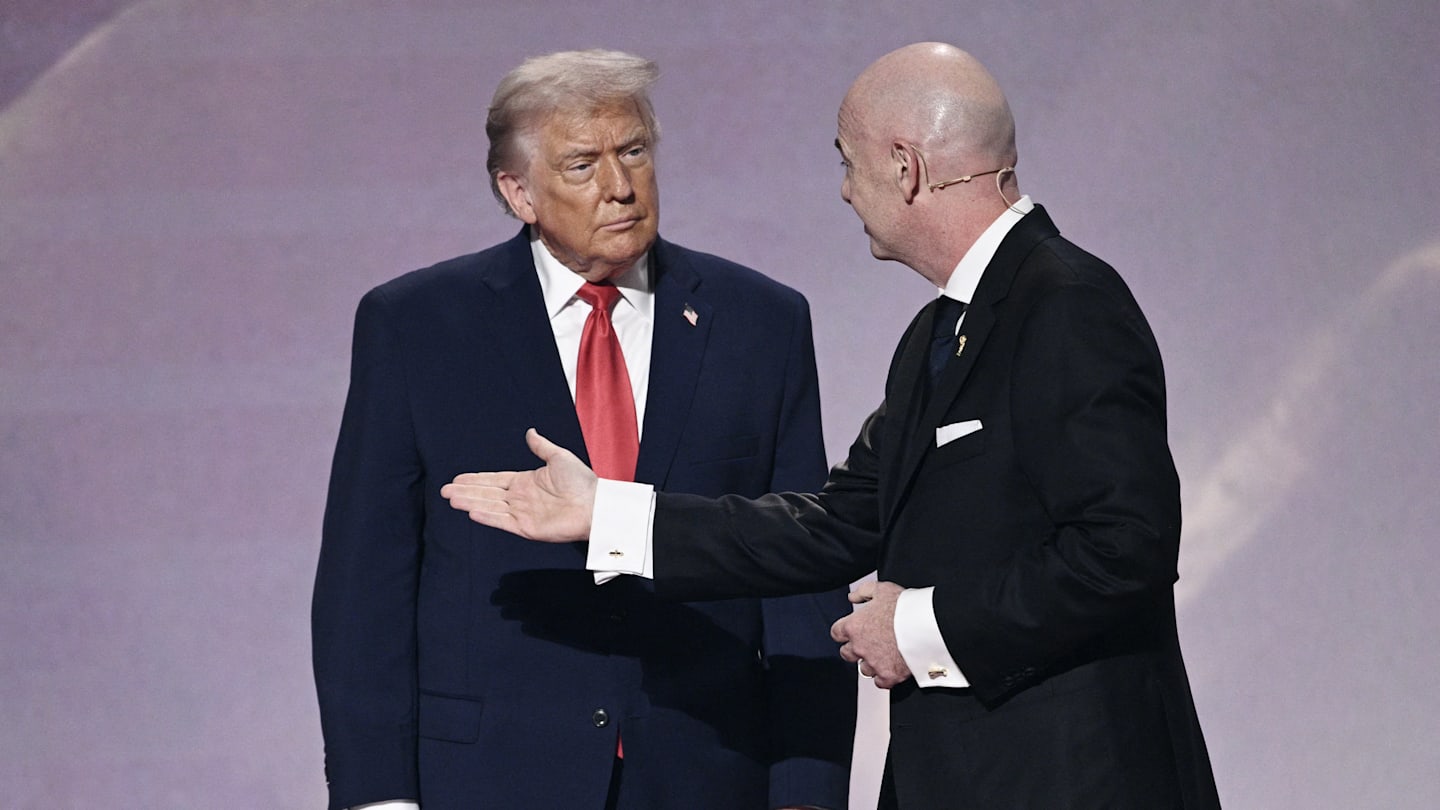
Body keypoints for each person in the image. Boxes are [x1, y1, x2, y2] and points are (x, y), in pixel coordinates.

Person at [441, 42, 1222, 809]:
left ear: (905, 168)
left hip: (1074, 782)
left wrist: (918, 628)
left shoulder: (1066, 305)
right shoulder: (938, 334)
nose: (845, 191)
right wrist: (609, 515)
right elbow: (833, 523)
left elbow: (1125, 549)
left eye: (849, 163)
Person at [312, 49, 855, 810]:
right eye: (581, 165)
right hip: (490, 777)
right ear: (519, 192)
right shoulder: (417, 327)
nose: (620, 186)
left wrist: (807, 790)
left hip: (705, 774)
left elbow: (802, 575)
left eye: (633, 151)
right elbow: (366, 583)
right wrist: (378, 796)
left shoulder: (760, 322)